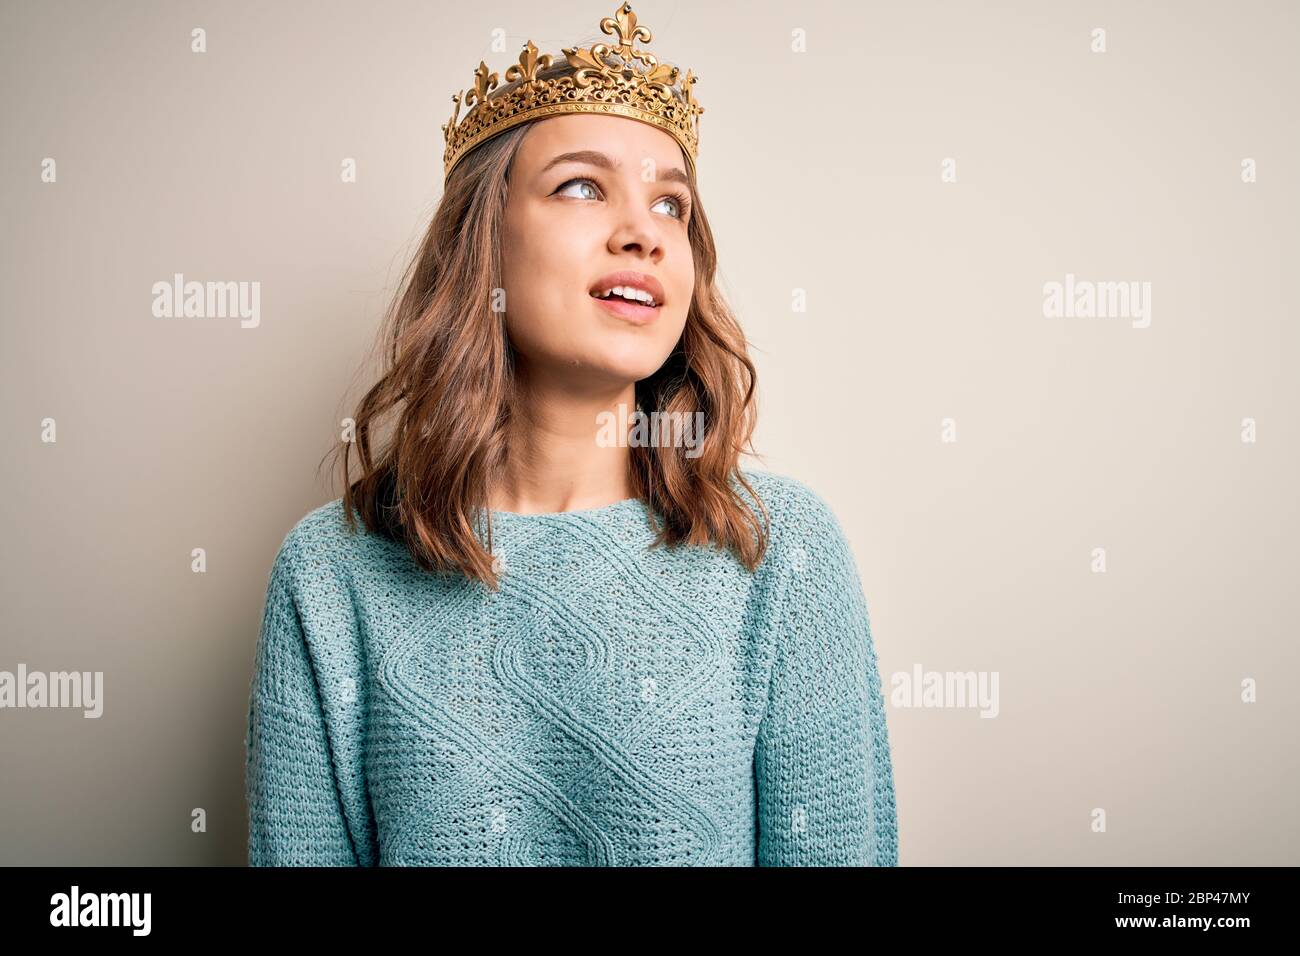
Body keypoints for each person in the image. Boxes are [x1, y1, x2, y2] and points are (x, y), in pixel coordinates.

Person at [244, 1, 898, 866]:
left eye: (672, 205)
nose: (643, 234)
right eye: (582, 186)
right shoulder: (331, 573)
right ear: (484, 244)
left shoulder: (779, 553)